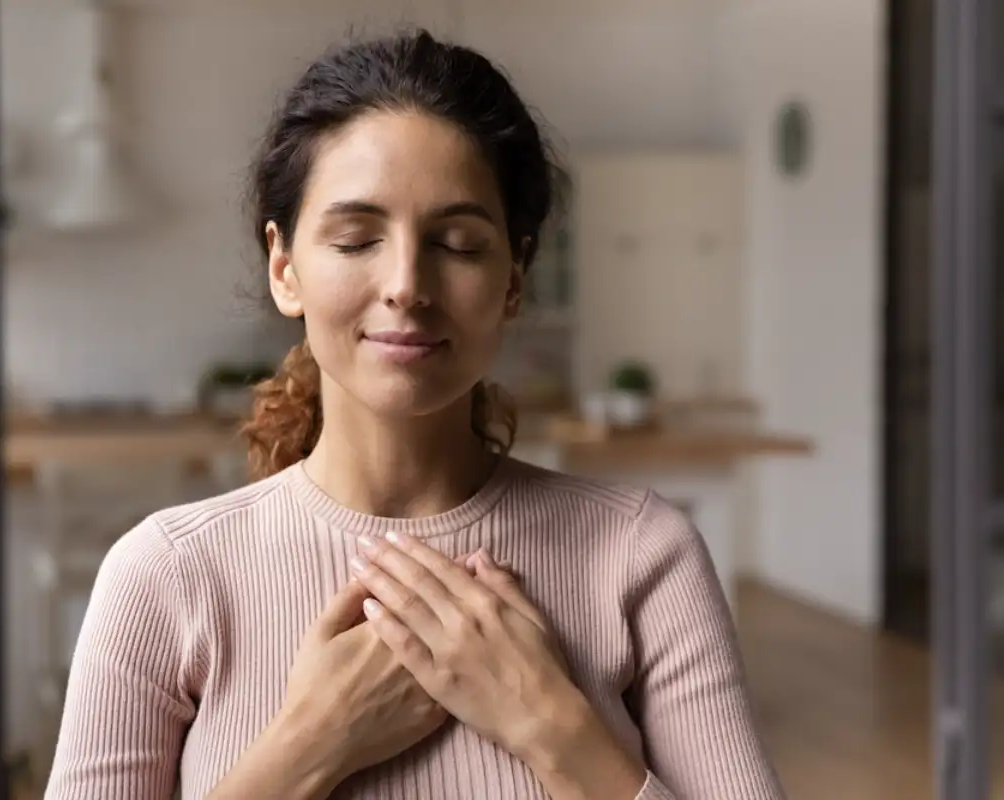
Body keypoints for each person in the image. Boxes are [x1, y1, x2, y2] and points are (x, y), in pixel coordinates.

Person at [45, 29, 785, 800]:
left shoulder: (641, 556)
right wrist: (310, 745)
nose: (406, 283)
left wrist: (553, 728)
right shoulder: (165, 576)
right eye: (358, 238)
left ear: (513, 280)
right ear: (284, 268)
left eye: (459, 244)